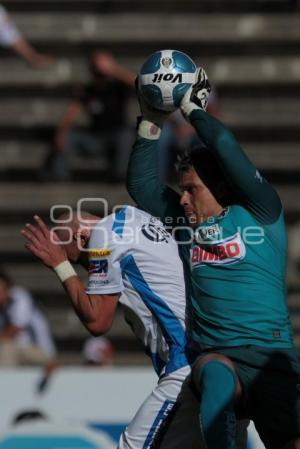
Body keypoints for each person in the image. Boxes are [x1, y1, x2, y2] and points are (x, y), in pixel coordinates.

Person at [126, 66, 300, 449]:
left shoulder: (261, 211)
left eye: (191, 189)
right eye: (181, 190)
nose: (182, 199)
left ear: (221, 185)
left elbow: (224, 145)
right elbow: (141, 184)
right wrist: (151, 120)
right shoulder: (187, 225)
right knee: (213, 373)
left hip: (273, 357)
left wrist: (193, 110)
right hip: (219, 358)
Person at [21, 207, 247, 449]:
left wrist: (61, 265)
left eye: (80, 260)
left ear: (81, 237)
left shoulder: (104, 235)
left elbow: (97, 321)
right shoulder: (135, 218)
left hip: (185, 366)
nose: (87, 270)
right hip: (215, 358)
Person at [45, 51, 134, 181]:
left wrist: (114, 69)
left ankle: (120, 176)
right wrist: (61, 132)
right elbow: (71, 114)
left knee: (126, 136)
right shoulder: (87, 91)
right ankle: (58, 176)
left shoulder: (119, 87)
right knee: (68, 135)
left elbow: (140, 85)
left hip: (116, 135)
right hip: (95, 137)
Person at [0, 270, 57, 366]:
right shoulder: (3, 305)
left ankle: (5, 381)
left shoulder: (20, 297)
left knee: (6, 347)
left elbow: (13, 331)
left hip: (41, 351)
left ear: (7, 288)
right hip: (20, 350)